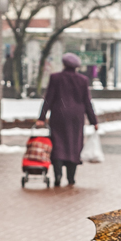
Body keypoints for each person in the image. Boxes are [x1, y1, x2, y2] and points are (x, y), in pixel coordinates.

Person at [35, 53, 98, 187]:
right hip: (76, 117)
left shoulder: (55, 78)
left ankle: (58, 175)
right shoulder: (82, 80)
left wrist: (41, 117)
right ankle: (71, 178)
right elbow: (87, 102)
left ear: (64, 64)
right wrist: (94, 121)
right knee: (74, 145)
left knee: (58, 144)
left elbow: (48, 99)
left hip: (58, 115)